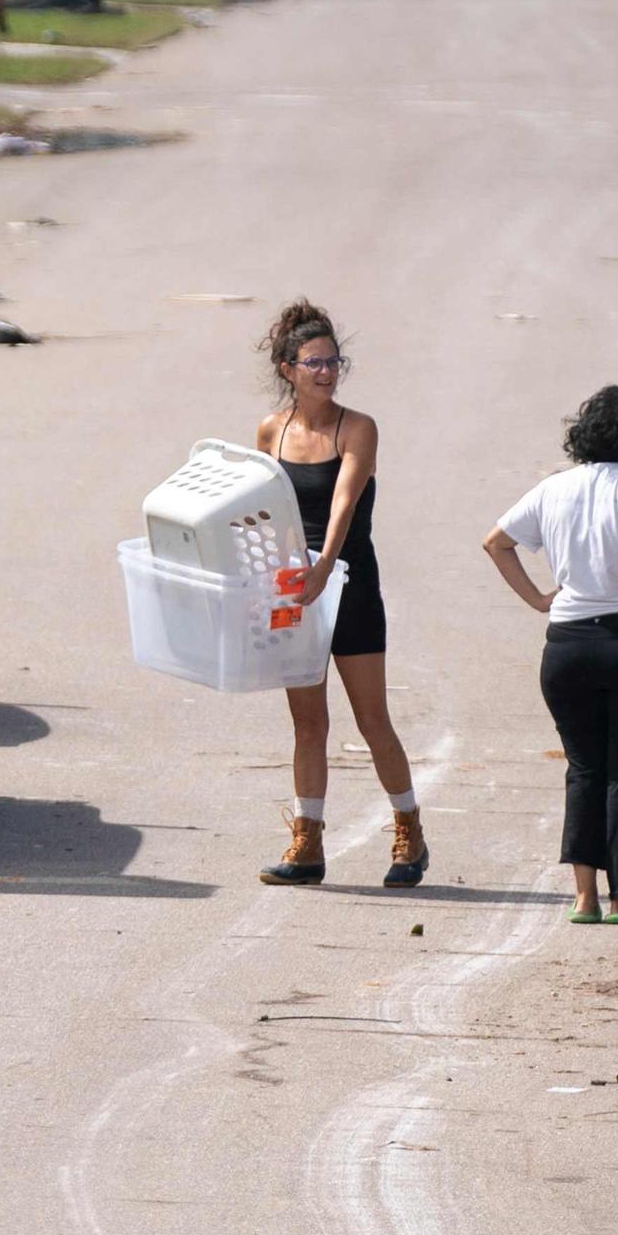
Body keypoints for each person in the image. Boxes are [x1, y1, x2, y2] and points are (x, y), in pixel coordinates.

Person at [481, 384, 618, 923]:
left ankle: (584, 898)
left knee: (583, 768)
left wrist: (537, 599)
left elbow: (495, 542)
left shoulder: (554, 488)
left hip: (567, 644)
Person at [250, 304, 425, 890]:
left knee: (372, 718)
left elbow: (344, 502)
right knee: (307, 722)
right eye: (314, 363)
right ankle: (307, 843)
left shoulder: (358, 426)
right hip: (294, 590)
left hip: (349, 584)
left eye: (333, 361)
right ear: (288, 368)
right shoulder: (269, 431)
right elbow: (259, 510)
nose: (326, 372)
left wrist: (326, 563)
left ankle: (408, 831)